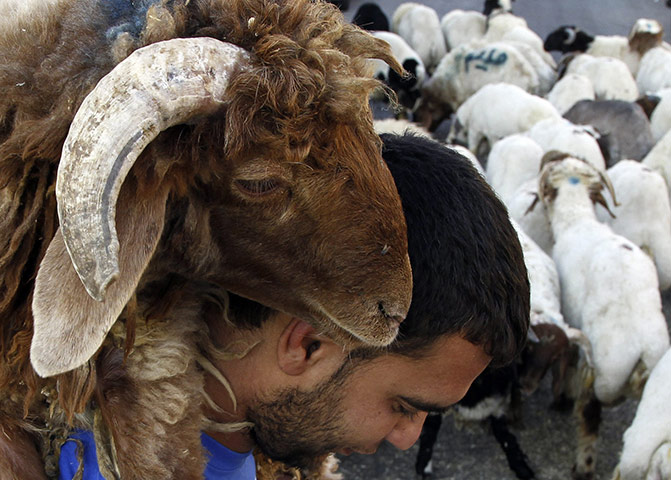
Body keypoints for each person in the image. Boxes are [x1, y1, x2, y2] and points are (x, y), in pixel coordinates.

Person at [58, 133, 530, 479]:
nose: (406, 439)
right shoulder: (94, 462)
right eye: (403, 406)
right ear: (309, 343)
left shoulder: (233, 452)